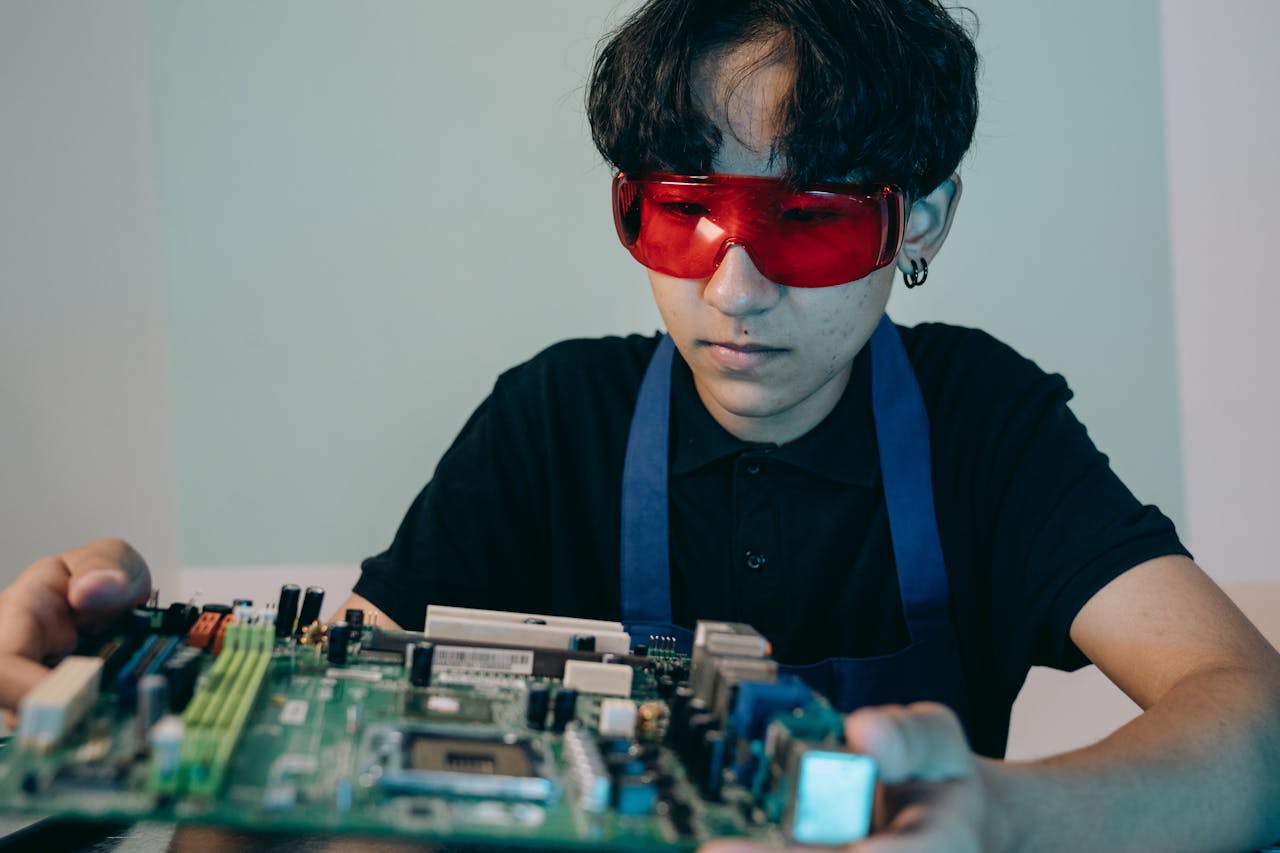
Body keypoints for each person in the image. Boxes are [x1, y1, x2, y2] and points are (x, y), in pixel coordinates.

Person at [2, 1, 1278, 850]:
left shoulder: (981, 423)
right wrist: (133, 679)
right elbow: (317, 727)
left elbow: (1250, 718)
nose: (734, 290)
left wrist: (995, 819)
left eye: (808, 221)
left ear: (922, 219)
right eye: (680, 213)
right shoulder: (552, 418)